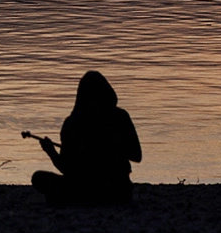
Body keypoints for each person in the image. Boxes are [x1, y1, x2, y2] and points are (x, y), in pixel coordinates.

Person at [31, 70, 142, 206]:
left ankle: (75, 198)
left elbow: (67, 168)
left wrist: (51, 151)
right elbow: (137, 156)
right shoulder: (121, 116)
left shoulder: (72, 123)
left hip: (85, 187)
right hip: (119, 189)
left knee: (39, 178)